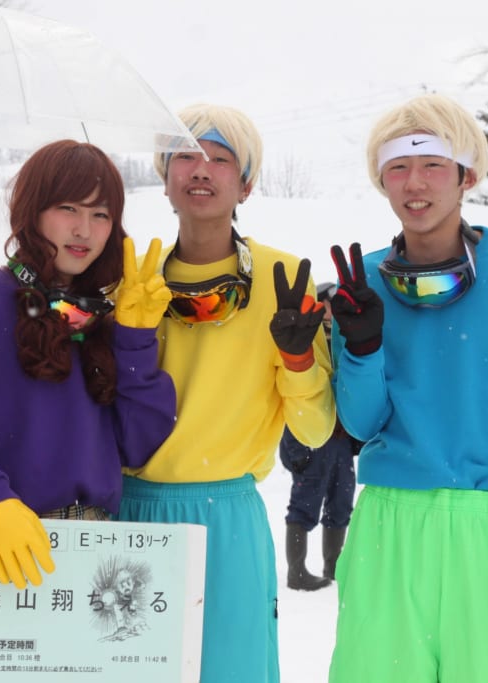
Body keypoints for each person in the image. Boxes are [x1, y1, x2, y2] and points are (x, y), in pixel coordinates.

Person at [327, 93, 488, 683]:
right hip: (388, 523)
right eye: (398, 168)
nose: (415, 183)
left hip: (486, 526)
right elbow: (362, 425)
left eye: (433, 164)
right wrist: (361, 349)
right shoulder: (362, 280)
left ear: (466, 175)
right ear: (382, 181)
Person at [117, 104, 336, 683]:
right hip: (130, 510)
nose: (201, 170)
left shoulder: (282, 278)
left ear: (247, 183)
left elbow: (313, 431)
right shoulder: (133, 277)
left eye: (220, 158)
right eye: (185, 156)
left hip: (228, 517)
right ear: (164, 176)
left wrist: (297, 361)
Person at [0, 139, 176, 590]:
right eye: (68, 208)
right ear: (32, 210)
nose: (84, 230)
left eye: (101, 214)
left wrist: (133, 337)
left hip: (96, 558)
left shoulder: (108, 311)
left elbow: (138, 444)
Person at [279, 282, 361, 591]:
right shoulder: (307, 335)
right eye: (329, 302)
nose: (332, 309)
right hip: (310, 432)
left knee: (341, 502)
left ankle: (333, 567)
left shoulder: (344, 334)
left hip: (338, 437)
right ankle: (296, 572)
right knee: (305, 502)